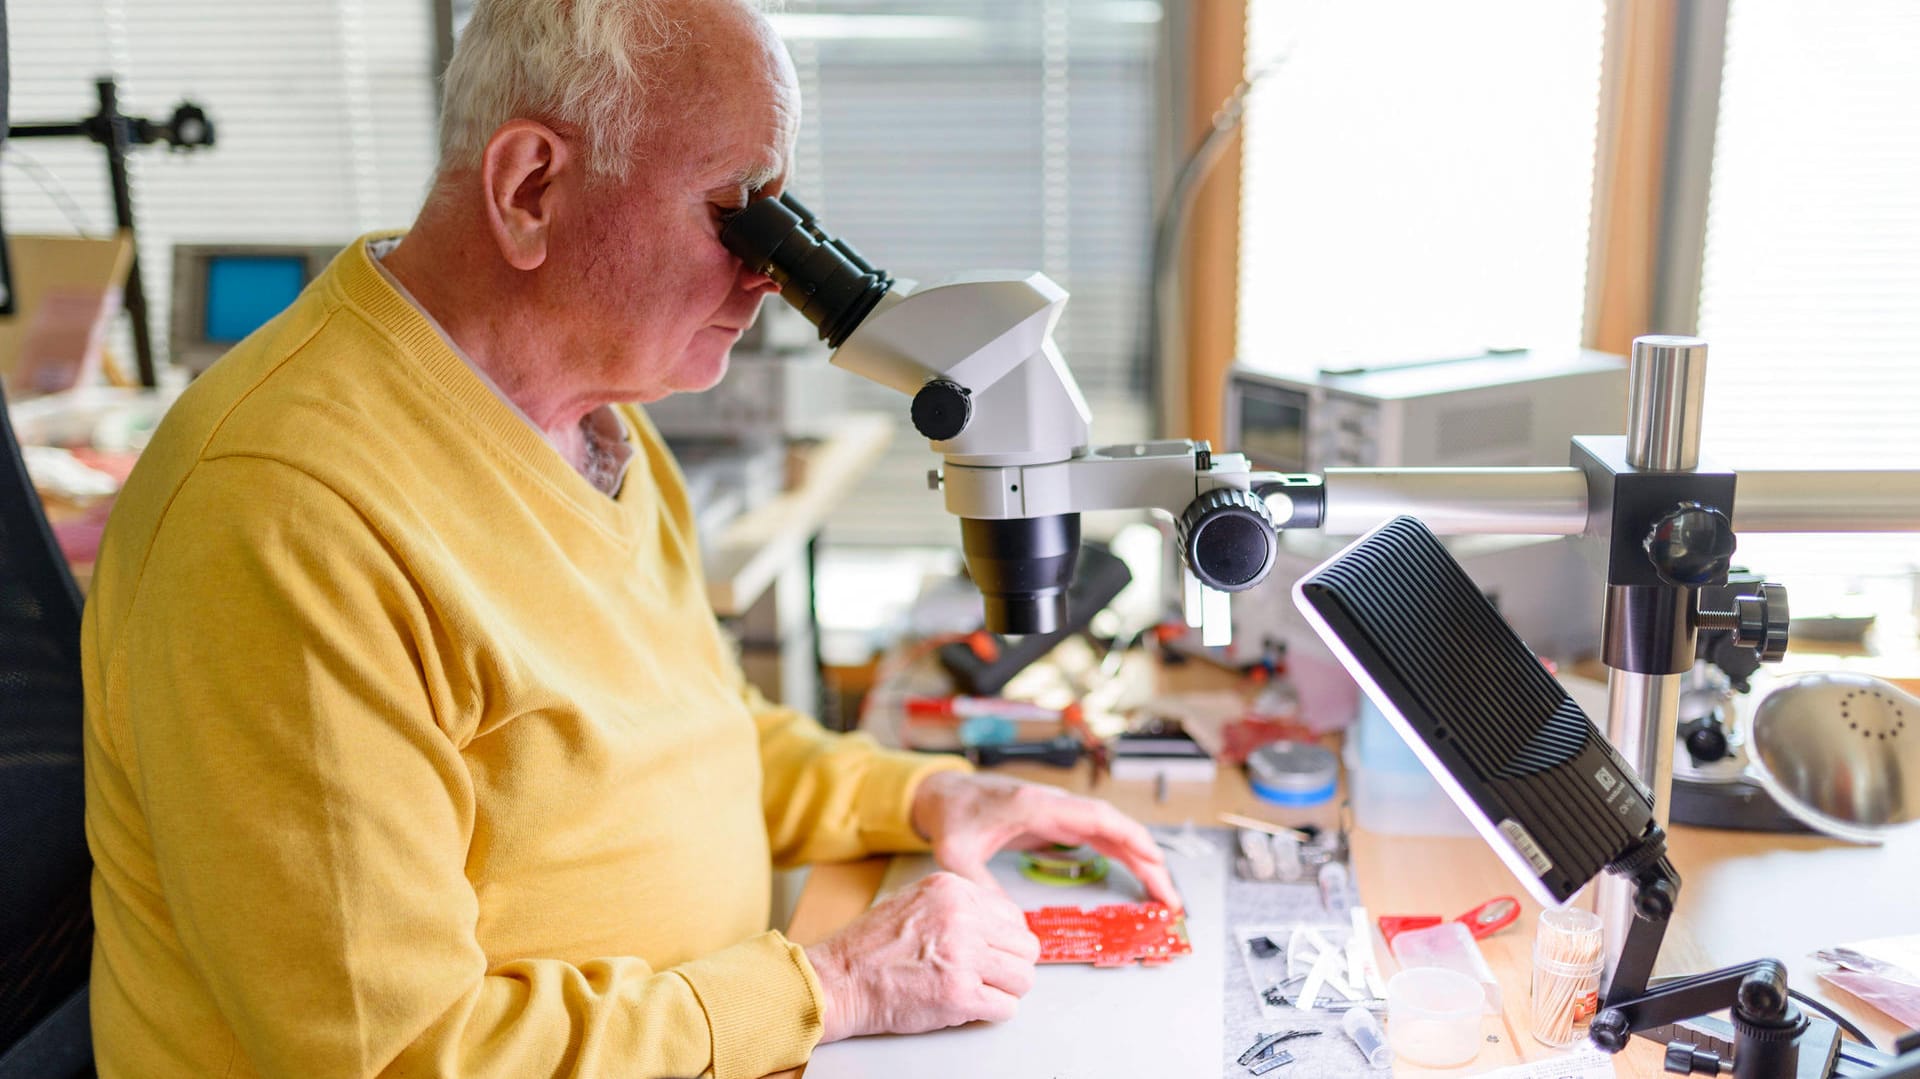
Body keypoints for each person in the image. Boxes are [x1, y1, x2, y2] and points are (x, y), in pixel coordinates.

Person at [79, 1, 1179, 1076]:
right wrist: (829, 987)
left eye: (782, 225)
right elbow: (396, 1054)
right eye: (736, 216)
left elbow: (684, 730)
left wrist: (924, 792)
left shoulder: (594, 418)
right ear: (531, 188)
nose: (768, 275)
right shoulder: (285, 517)